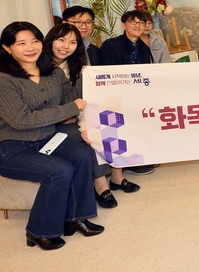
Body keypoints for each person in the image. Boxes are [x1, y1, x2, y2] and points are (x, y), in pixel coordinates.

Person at [0, 21, 104, 250]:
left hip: (44, 138)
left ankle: (76, 218)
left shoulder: (54, 73)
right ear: (7, 48)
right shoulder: (1, 81)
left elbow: (72, 102)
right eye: (21, 43)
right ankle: (38, 231)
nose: (30, 47)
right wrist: (68, 109)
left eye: (35, 41)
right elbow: (22, 120)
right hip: (7, 146)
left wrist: (87, 78)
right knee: (59, 171)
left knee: (82, 155)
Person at [43, 23, 140, 209]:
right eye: (61, 40)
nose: (66, 46)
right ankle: (101, 185)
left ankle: (117, 177)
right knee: (89, 135)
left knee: (112, 121)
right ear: (50, 41)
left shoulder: (79, 68)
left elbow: (84, 101)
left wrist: (85, 125)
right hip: (54, 121)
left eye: (72, 42)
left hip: (77, 115)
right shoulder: (40, 68)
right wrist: (83, 126)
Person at [97, 10, 158, 175]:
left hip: (137, 95)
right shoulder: (111, 45)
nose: (138, 26)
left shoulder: (143, 47)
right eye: (133, 22)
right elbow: (108, 74)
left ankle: (137, 158)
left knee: (140, 123)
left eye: (141, 23)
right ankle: (122, 164)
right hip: (115, 95)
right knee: (120, 129)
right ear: (124, 25)